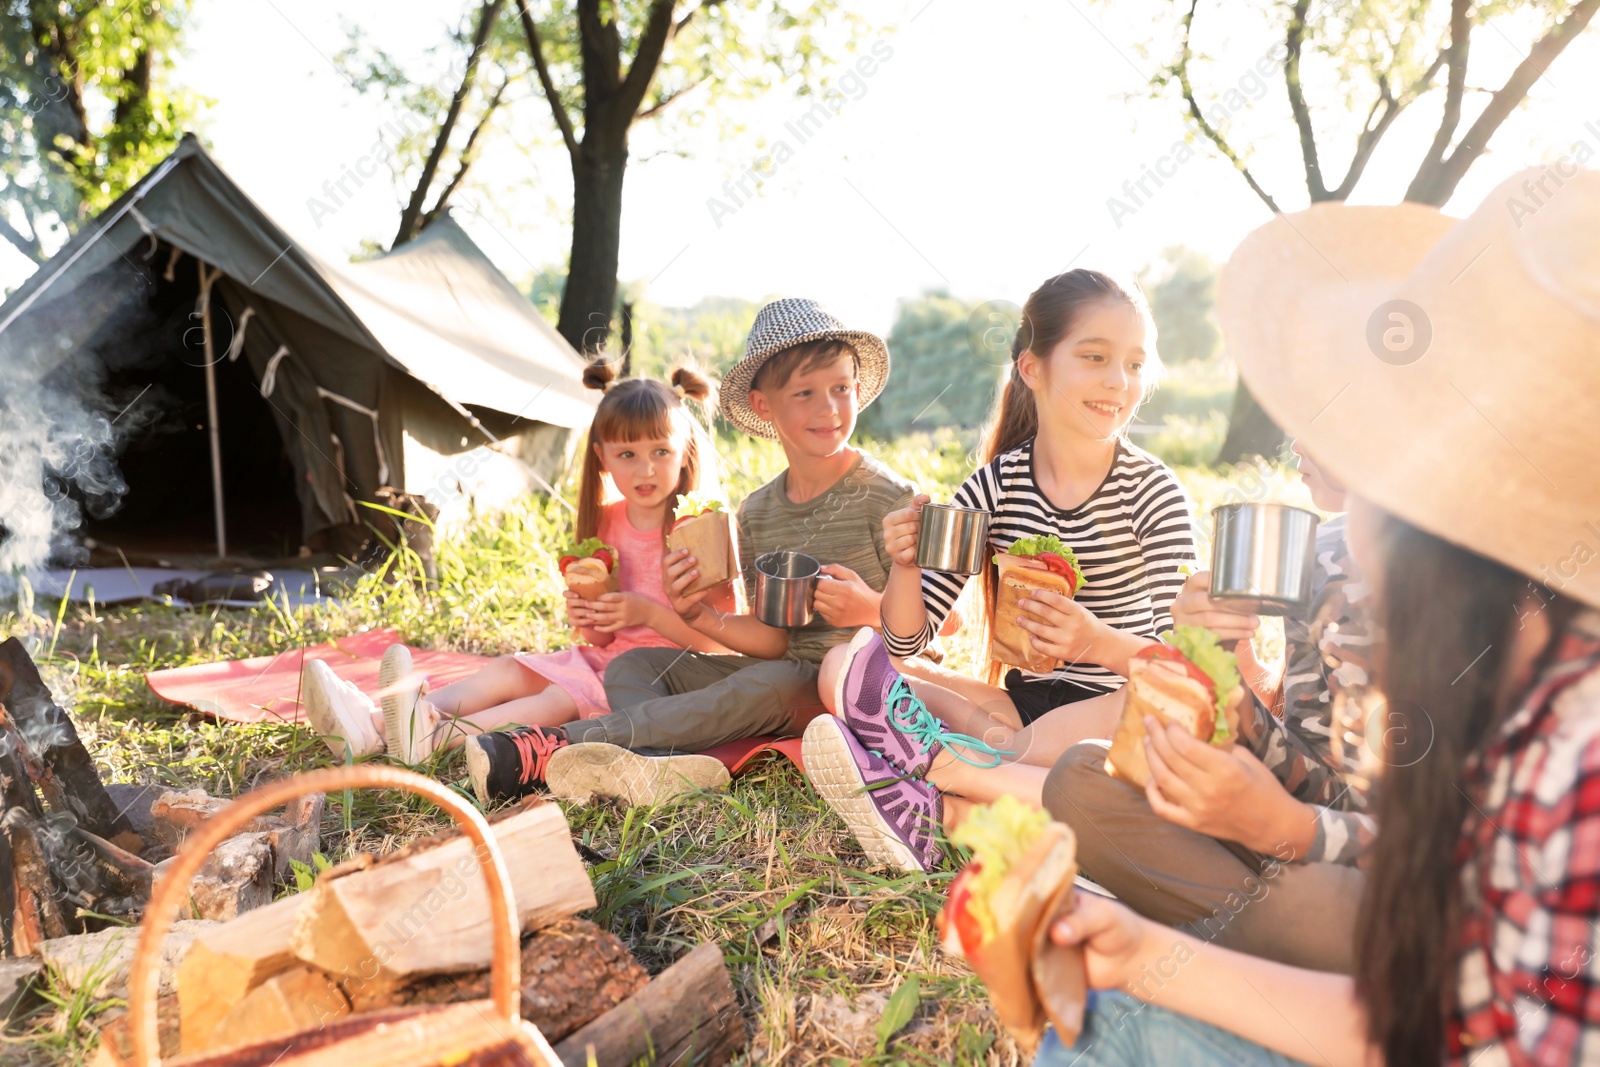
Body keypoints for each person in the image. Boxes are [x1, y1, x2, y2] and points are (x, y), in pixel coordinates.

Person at [1033, 170, 1600, 1065]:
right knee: (1081, 786)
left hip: (1355, 905)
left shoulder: (1573, 754)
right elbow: (1451, 983)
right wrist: (1225, 712)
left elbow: (1480, 1023)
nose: (1333, 497)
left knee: (1280, 913)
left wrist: (1285, 836)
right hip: (1391, 937)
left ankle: (1235, 931)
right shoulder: (1480, 636)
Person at [802, 269, 1197, 872]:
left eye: (1136, 364)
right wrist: (906, 566)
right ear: (1033, 369)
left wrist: (1095, 641)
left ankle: (943, 772)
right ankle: (985, 764)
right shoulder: (994, 486)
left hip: (1115, 706)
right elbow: (908, 638)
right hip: (1020, 707)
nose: (1119, 382)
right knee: (842, 663)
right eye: (1096, 357)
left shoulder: (1151, 492)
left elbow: (1183, 666)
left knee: (1161, 707)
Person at [464, 298, 916, 807]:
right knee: (631, 668)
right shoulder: (757, 511)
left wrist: (869, 610)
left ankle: (549, 749)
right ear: (764, 405)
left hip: (844, 684)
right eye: (806, 393)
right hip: (776, 669)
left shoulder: (887, 496)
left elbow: (946, 623)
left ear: (858, 389)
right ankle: (664, 766)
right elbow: (769, 641)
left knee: (761, 687)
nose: (829, 408)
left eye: (841, 389)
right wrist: (696, 614)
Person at [298, 363, 735, 791]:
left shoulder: (700, 528)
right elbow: (601, 641)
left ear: (686, 451)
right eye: (628, 454)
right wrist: (588, 616)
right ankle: (379, 724)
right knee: (510, 668)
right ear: (601, 457)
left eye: (661, 451)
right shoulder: (604, 523)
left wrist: (647, 613)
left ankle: (433, 740)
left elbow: (720, 644)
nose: (646, 470)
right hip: (603, 660)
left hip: (655, 681)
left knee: (555, 701)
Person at [1041, 438, 1375, 973]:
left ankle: (1198, 939)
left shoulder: (1483, 577)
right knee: (1079, 778)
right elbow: (1322, 773)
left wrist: (1289, 829)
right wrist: (1223, 679)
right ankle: (1247, 946)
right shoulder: (1320, 552)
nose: (1295, 442)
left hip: (1398, 888)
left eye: (1318, 420)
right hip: (1303, 842)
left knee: (1312, 904)